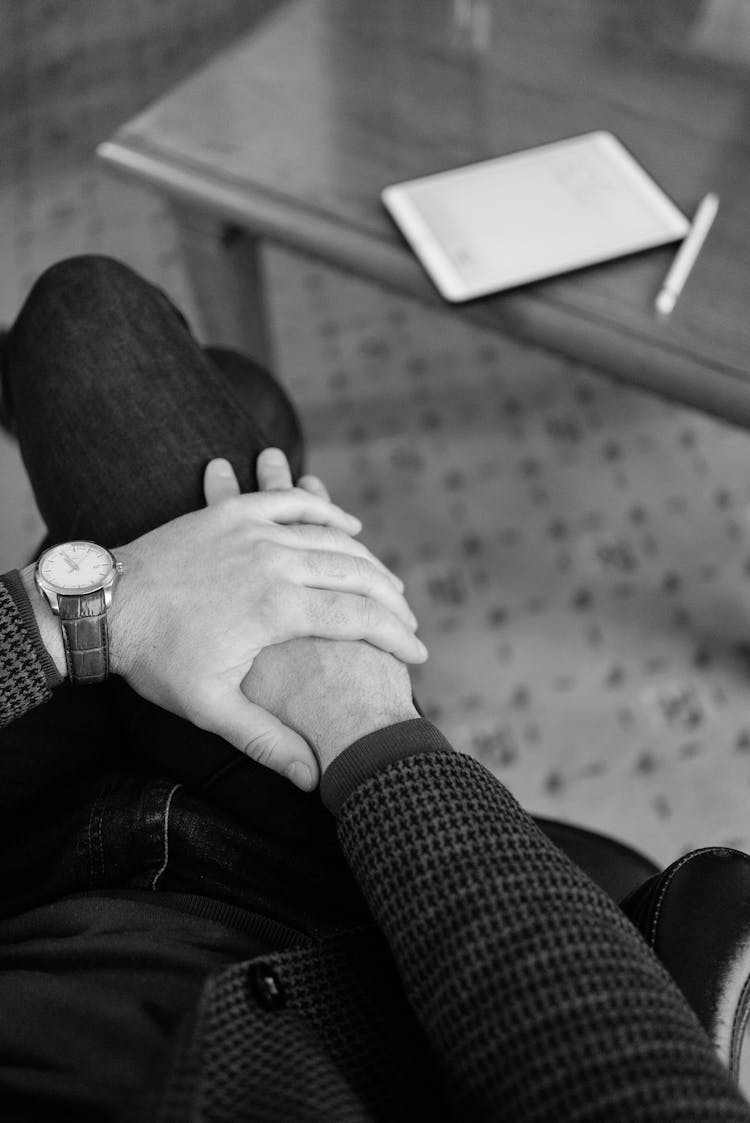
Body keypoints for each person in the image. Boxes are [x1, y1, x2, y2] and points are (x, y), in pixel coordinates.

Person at [0, 256, 748, 1123]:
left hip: (26, 853)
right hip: (319, 882)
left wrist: (85, 607)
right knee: (190, 384)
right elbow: (620, 1081)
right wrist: (363, 716)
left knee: (98, 325)